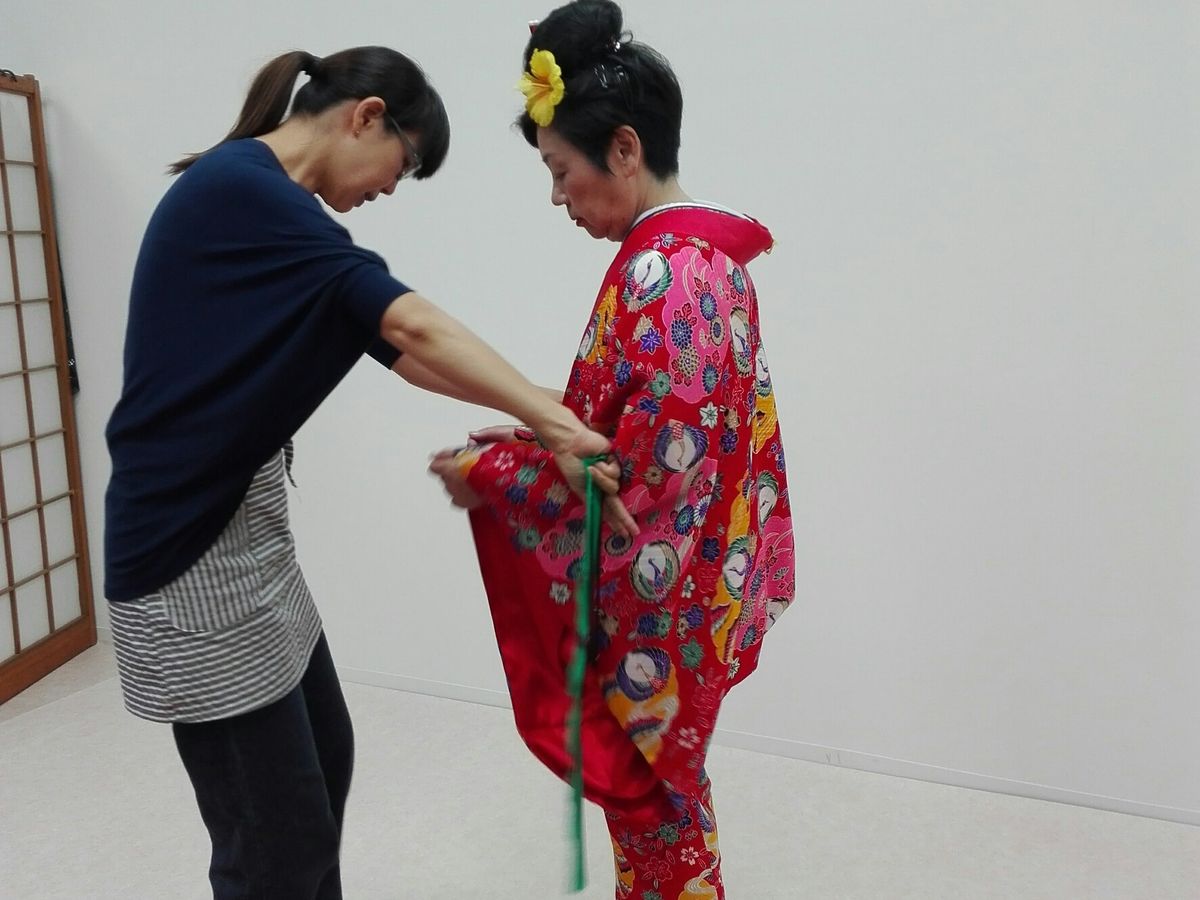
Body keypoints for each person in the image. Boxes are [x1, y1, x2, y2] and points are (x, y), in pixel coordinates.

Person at [103, 45, 624, 900]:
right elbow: (412, 328)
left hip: (251, 536)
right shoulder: (242, 192)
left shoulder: (275, 214)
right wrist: (556, 425)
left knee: (326, 767)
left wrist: (574, 405)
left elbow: (408, 357)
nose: (391, 188)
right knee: (274, 845)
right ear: (366, 116)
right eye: (405, 164)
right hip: (186, 553)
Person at [428, 3, 796, 898]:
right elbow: (645, 426)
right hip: (702, 577)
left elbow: (644, 485)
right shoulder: (704, 262)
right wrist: (537, 430)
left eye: (561, 171)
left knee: (655, 804)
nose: (558, 197)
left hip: (664, 597)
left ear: (624, 150)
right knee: (668, 806)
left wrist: (494, 474)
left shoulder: (665, 276)